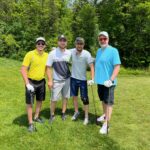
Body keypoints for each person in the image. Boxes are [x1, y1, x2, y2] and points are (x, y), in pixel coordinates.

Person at [95, 31, 121, 134]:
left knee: (109, 102)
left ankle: (106, 125)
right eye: (100, 39)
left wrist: (111, 80)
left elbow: (117, 66)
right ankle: (104, 114)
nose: (102, 40)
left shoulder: (113, 51)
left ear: (108, 39)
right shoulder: (98, 51)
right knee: (103, 100)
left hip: (109, 83)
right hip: (100, 81)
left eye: (104, 38)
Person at [21, 37, 48, 132]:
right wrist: (27, 84)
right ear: (36, 44)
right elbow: (23, 69)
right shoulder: (30, 54)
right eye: (38, 43)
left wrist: (49, 80)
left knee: (40, 101)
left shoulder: (47, 55)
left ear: (45, 45)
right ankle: (30, 123)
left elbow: (47, 68)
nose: (40, 45)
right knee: (29, 103)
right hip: (31, 82)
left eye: (42, 43)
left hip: (41, 82)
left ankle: (36, 117)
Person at [46, 35, 71, 122]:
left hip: (67, 79)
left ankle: (63, 113)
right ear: (58, 42)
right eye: (61, 40)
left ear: (66, 42)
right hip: (57, 80)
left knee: (65, 97)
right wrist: (49, 80)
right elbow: (48, 67)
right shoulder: (52, 53)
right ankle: (52, 115)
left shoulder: (69, 53)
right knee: (54, 98)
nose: (63, 42)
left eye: (64, 40)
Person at [70, 37, 94, 125]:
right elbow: (63, 51)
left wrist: (92, 79)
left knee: (84, 98)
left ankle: (86, 117)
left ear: (83, 45)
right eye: (78, 43)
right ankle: (76, 112)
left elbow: (91, 67)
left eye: (81, 44)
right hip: (73, 78)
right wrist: (54, 49)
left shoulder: (87, 54)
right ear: (75, 44)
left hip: (83, 80)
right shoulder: (71, 51)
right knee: (74, 96)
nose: (79, 45)